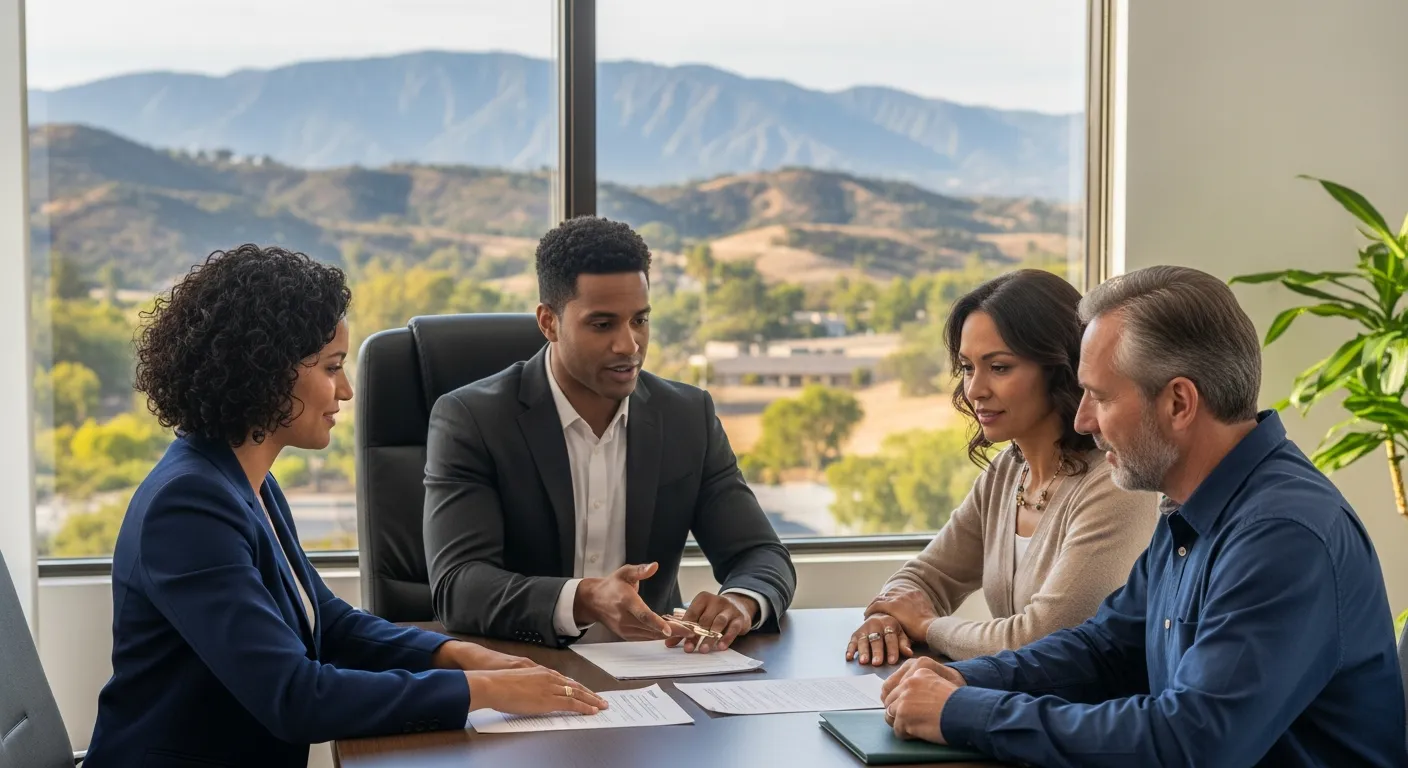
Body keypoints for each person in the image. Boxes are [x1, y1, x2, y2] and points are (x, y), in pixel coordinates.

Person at [85, 246, 607, 767]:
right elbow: (294, 696)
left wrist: (452, 654)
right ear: (265, 371)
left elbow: (326, 623)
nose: (347, 389)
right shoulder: (189, 507)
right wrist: (483, 692)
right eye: (332, 367)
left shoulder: (243, 483)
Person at [880, 266, 1408, 767]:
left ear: (1179, 403)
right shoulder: (1193, 507)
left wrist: (965, 712)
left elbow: (1190, 743)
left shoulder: (1281, 537)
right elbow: (1106, 648)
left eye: (1100, 396)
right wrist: (965, 681)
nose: (1083, 420)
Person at [424, 216, 795, 652]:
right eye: (603, 325)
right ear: (549, 322)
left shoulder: (687, 417)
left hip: (655, 676)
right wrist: (586, 599)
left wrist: (740, 602)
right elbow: (459, 586)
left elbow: (762, 555)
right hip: (525, 670)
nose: (629, 345)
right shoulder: (472, 418)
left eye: (639, 320)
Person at [846, 269, 1158, 666]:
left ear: (1061, 368)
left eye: (999, 367)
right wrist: (884, 618)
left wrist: (927, 626)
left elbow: (1041, 637)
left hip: (1084, 717)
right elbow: (926, 577)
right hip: (1016, 703)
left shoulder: (1115, 485)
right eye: (967, 367)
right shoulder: (1009, 472)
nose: (974, 389)